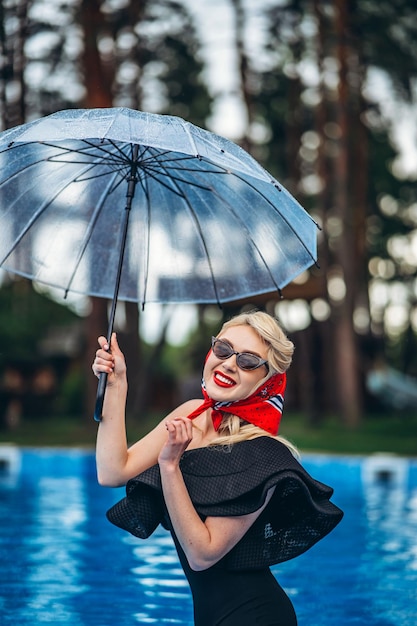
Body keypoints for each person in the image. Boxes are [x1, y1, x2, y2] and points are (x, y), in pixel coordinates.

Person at [92, 310, 343, 626]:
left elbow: (203, 554)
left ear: (268, 381)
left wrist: (169, 466)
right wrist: (117, 384)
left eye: (248, 361)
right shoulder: (192, 415)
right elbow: (112, 471)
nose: (228, 363)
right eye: (223, 349)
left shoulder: (263, 454)